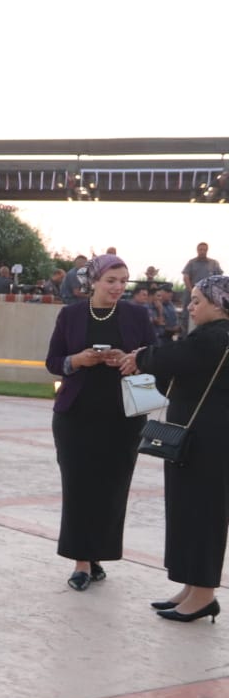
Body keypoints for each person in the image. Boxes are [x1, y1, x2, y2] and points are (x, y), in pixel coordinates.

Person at [44, 254, 154, 592]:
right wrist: (77, 360)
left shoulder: (137, 315)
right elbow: (53, 362)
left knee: (111, 490)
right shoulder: (71, 314)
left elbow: (155, 358)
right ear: (93, 282)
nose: (118, 287)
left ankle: (97, 556)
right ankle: (81, 562)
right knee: (78, 488)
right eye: (111, 281)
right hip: (75, 416)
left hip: (124, 418)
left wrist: (131, 360)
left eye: (123, 281)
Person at [125, 275, 229, 623]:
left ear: (220, 304)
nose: (191, 307)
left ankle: (203, 595)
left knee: (203, 514)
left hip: (209, 443)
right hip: (197, 440)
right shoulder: (210, 336)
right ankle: (191, 588)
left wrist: (141, 357)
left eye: (198, 300)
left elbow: (172, 356)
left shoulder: (217, 336)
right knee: (188, 510)